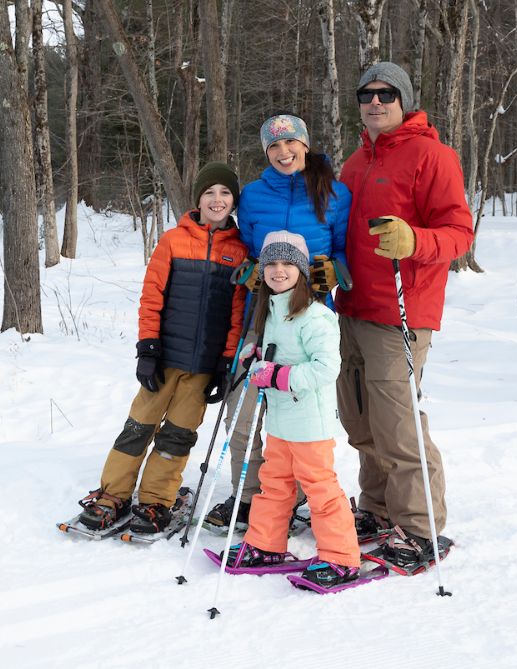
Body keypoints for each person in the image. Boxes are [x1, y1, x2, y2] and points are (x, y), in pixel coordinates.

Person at [337, 62, 474, 566]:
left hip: (401, 309)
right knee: (359, 417)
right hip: (352, 306)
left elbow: (459, 232)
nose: (375, 102)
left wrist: (415, 240)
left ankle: (420, 527)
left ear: (405, 99)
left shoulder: (432, 155)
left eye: (386, 93)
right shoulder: (355, 163)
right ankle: (376, 506)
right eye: (366, 93)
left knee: (397, 421)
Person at [75, 162, 248, 535]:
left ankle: (155, 499)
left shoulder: (239, 250)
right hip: (164, 359)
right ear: (198, 199)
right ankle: (113, 494)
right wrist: (147, 349)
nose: (217, 200)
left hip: (202, 367)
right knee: (139, 427)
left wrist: (225, 361)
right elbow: (151, 296)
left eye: (225, 193)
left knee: (178, 435)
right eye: (209, 193)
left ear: (233, 201)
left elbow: (237, 312)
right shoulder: (173, 240)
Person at [204, 113, 351, 531]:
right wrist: (250, 270)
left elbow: (344, 252)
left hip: (308, 311)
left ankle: (295, 493)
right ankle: (249, 496)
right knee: (246, 401)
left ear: (305, 145)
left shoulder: (335, 194)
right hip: (259, 312)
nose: (284, 153)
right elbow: (246, 247)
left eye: (291, 144)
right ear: (265, 152)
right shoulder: (251, 195)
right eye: (274, 146)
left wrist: (334, 272)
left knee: (298, 400)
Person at [220, 231, 360, 588]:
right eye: (271, 264)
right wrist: (257, 356)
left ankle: (342, 557)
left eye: (287, 264)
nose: (278, 271)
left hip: (309, 423)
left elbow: (327, 368)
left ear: (300, 270)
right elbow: (274, 354)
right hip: (281, 421)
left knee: (320, 489)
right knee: (275, 484)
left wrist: (279, 375)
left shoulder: (315, 316)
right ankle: (265, 544)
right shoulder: (269, 311)